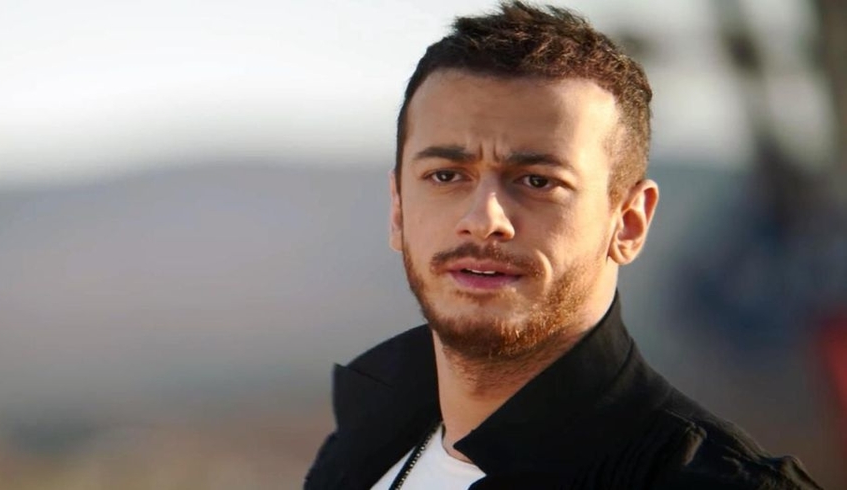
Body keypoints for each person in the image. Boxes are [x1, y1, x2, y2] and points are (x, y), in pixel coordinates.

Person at [305, 2, 821, 489]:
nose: (484, 220)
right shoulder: (359, 451)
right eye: (446, 175)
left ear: (629, 223)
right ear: (398, 210)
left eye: (537, 181)